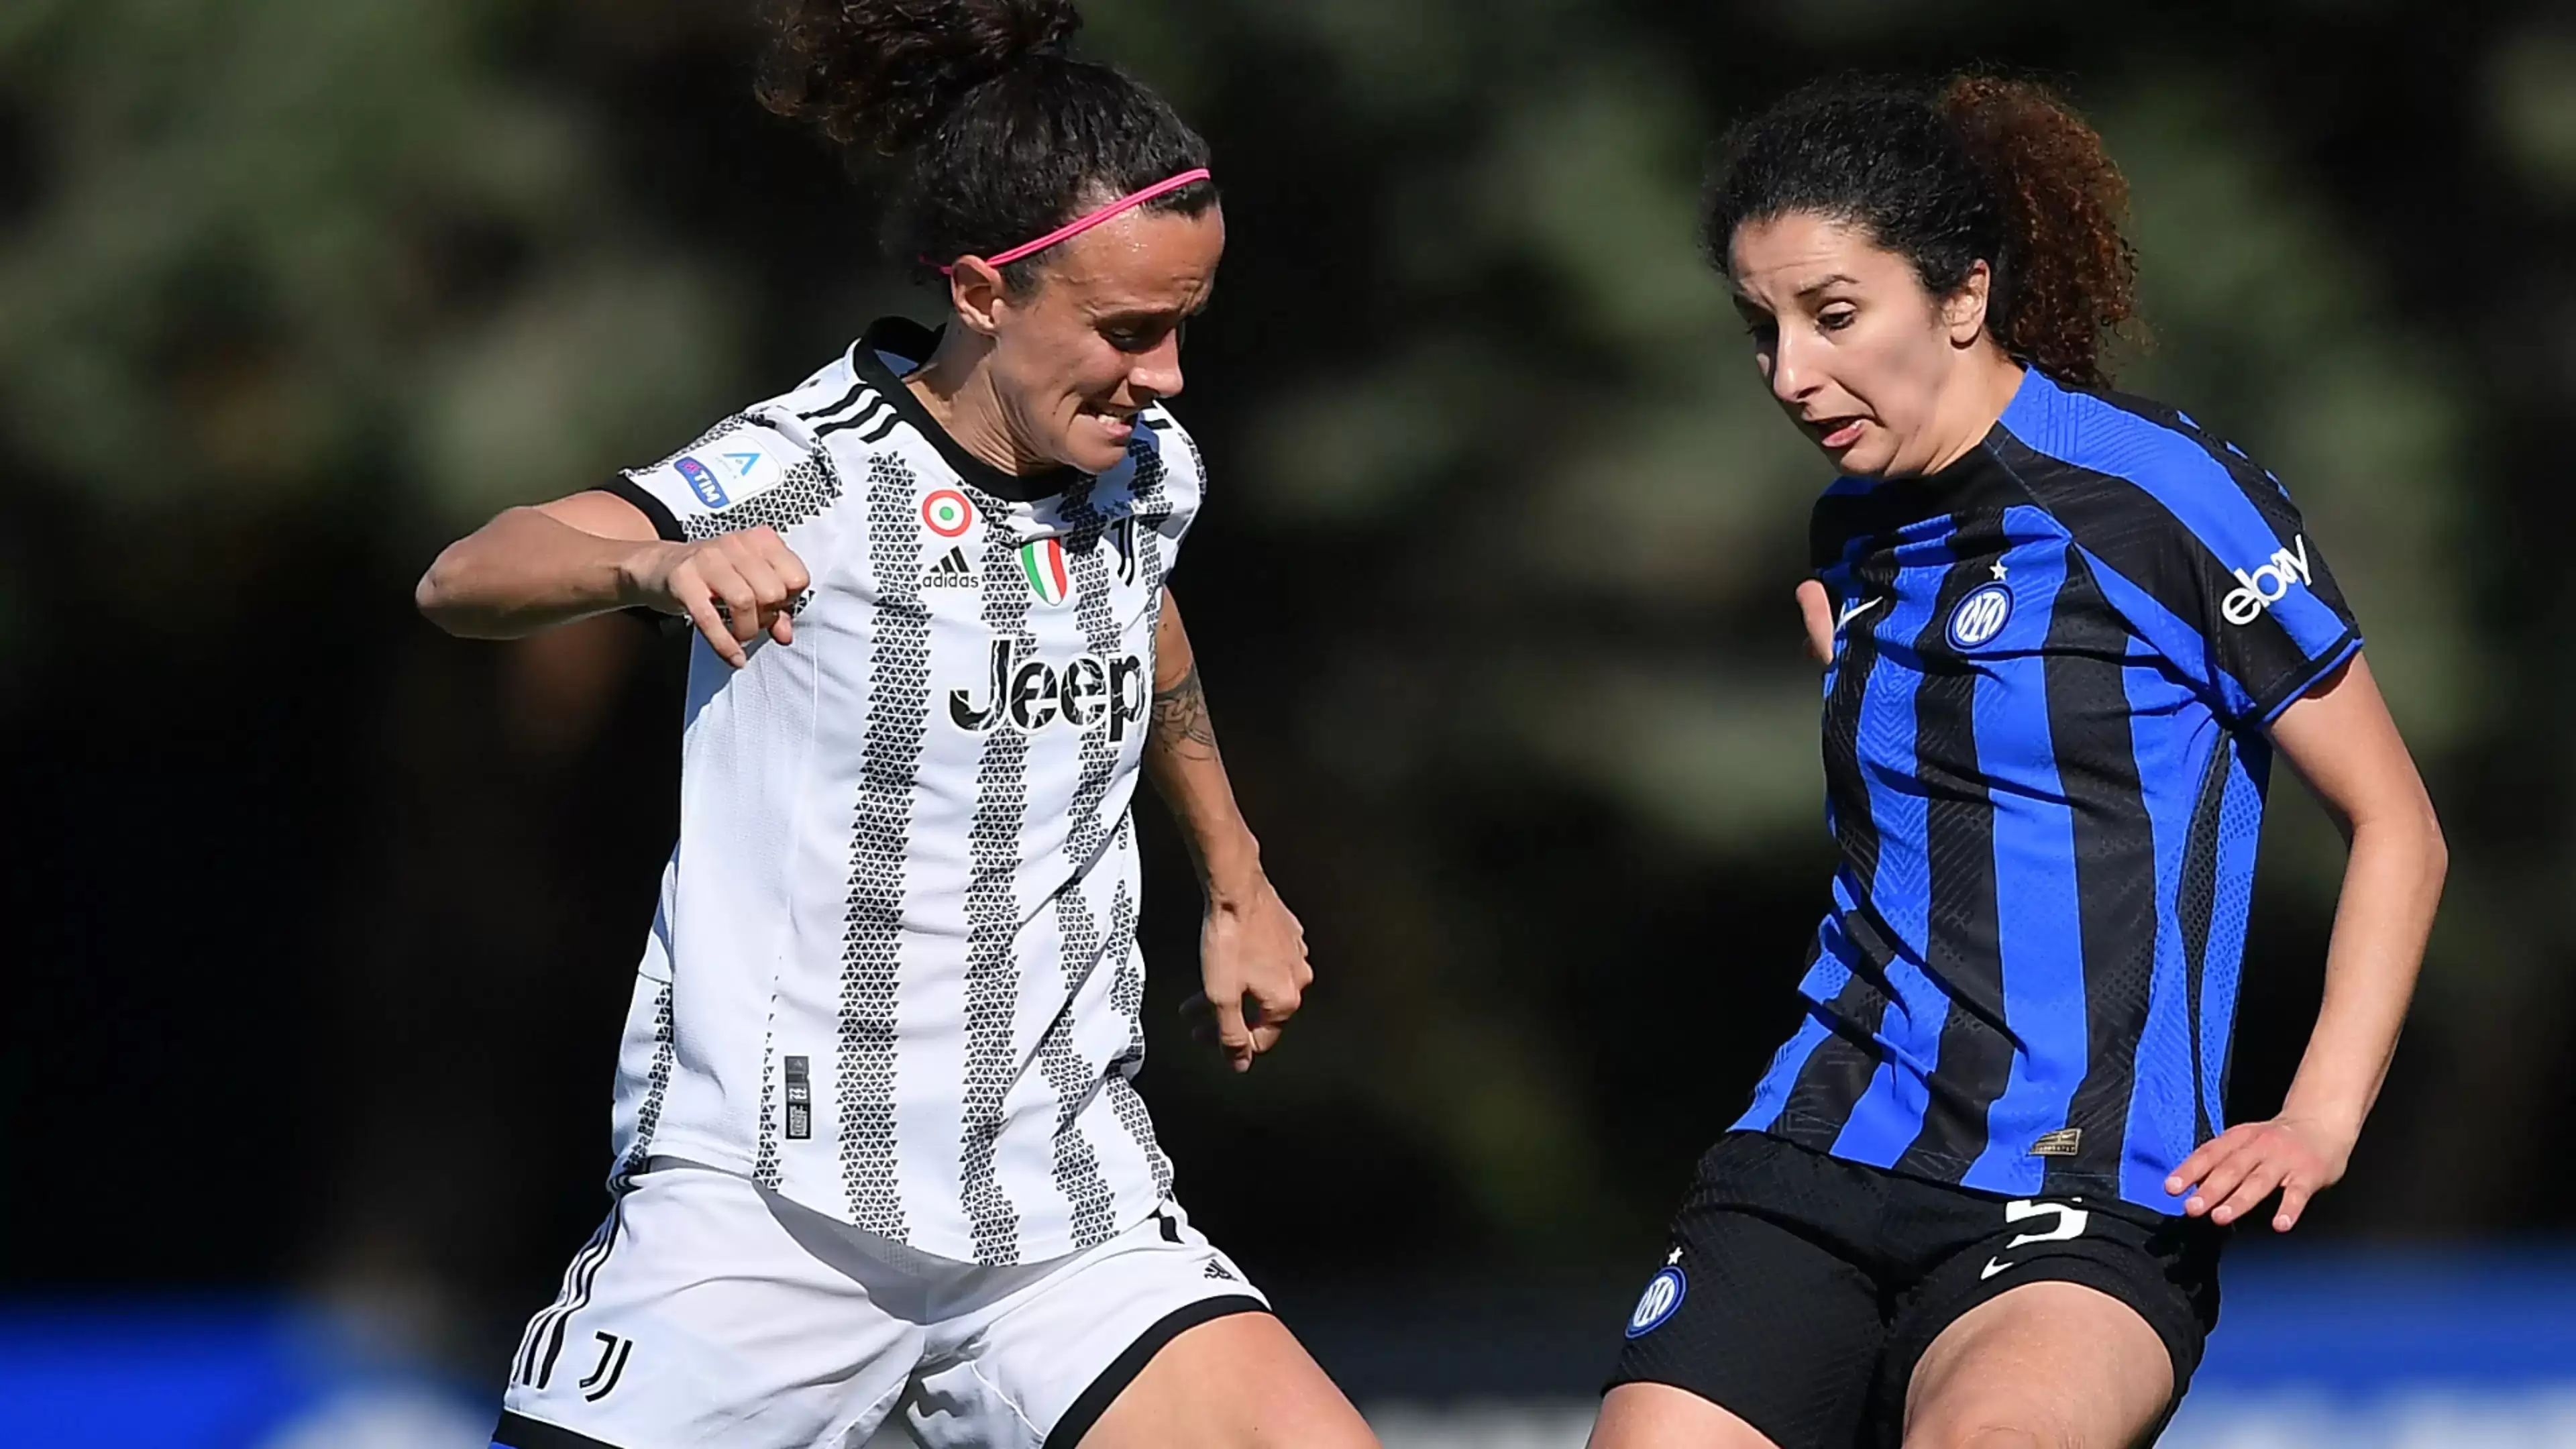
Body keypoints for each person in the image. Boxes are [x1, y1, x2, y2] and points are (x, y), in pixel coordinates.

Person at [414, 3, 1379, 1446]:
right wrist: (656, 567)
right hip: (775, 1206)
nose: (1169, 373)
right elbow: (466, 576)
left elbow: (1140, 615)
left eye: (1185, 325)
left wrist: (1236, 879)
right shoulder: (804, 469)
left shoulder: (1143, 469)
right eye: (1129, 331)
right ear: (985, 292)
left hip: (1060, 1209)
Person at [1591, 75, 2449, 1449]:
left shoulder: (2156, 497)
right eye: (1762, 329)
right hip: (1821, 1143)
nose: (1791, 374)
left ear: (1963, 295)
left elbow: (2397, 823)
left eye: (1831, 315)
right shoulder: (1850, 535)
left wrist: (2321, 1117)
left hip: (2085, 1185)